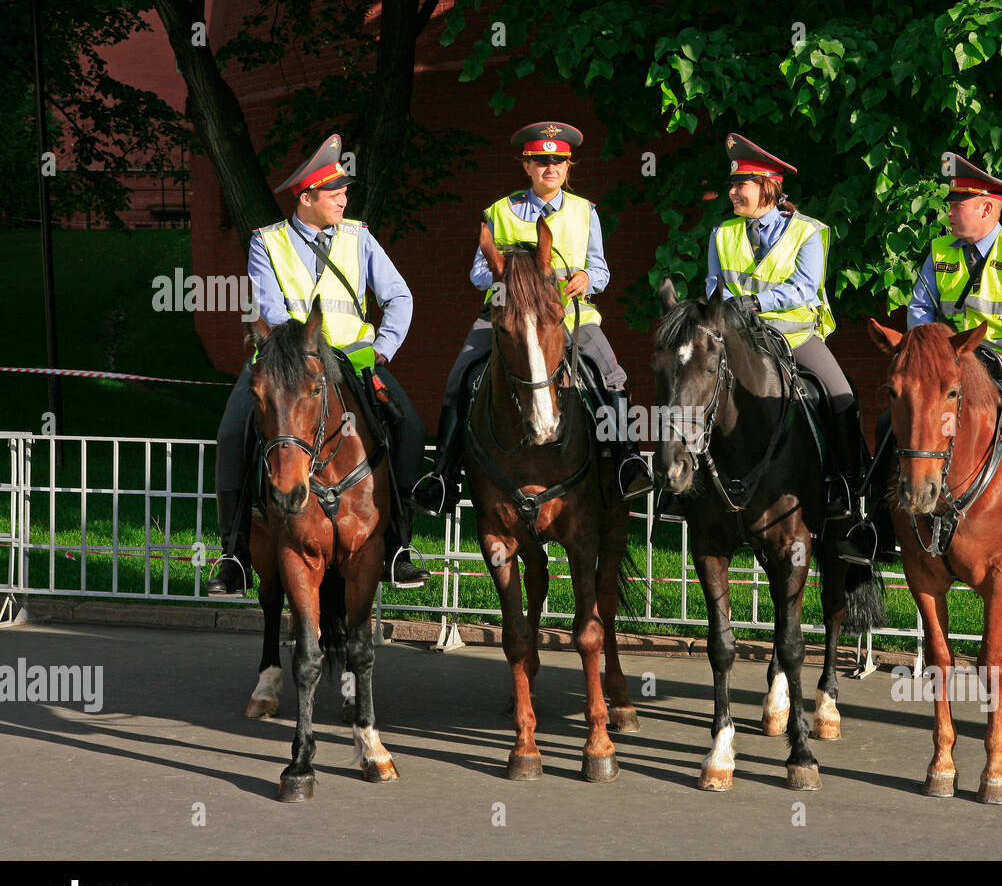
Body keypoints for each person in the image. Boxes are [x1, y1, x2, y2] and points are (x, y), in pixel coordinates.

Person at [207, 134, 432, 596]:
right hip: (289, 368)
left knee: (408, 426)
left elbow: (399, 297)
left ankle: (398, 546)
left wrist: (383, 348)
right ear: (306, 198)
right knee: (232, 434)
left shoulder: (359, 237)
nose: (343, 200)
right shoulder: (267, 242)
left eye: (344, 192)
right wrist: (308, 357)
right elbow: (272, 311)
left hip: (354, 361)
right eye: (334, 194)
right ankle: (233, 554)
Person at [860, 150, 1002, 562]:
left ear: (987, 207)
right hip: (954, 364)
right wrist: (930, 353)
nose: (949, 212)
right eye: (950, 204)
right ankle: (877, 522)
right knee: (887, 421)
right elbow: (920, 309)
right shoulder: (939, 252)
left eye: (958, 205)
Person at [418, 121, 654, 514]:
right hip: (509, 309)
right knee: (461, 373)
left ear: (567, 167)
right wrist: (511, 272)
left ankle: (627, 460)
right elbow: (478, 272)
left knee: (611, 373)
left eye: (558, 161)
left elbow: (601, 269)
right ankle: (444, 475)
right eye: (541, 161)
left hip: (569, 314)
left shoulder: (585, 211)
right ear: (526, 166)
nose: (551, 167)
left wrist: (587, 277)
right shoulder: (499, 210)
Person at [696, 133, 865, 521]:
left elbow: (804, 287)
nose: (734, 192)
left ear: (768, 187)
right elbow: (713, 288)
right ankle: (685, 485)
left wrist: (756, 302)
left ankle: (848, 488)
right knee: (690, 383)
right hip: (737, 339)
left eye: (742, 185)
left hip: (795, 338)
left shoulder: (809, 232)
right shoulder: (721, 234)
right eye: (733, 184)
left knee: (842, 397)